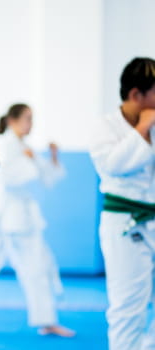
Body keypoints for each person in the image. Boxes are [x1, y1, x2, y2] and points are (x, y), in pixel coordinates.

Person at [0, 103, 75, 337]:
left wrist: (51, 157)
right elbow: (7, 177)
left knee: (37, 269)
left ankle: (46, 319)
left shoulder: (24, 146)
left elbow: (49, 178)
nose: (31, 124)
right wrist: (31, 161)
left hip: (22, 218)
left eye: (32, 118)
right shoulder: (3, 143)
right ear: (12, 120)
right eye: (27, 118)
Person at [90, 57, 155, 350]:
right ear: (136, 95)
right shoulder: (105, 127)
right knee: (128, 302)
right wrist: (141, 130)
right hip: (124, 222)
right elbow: (113, 165)